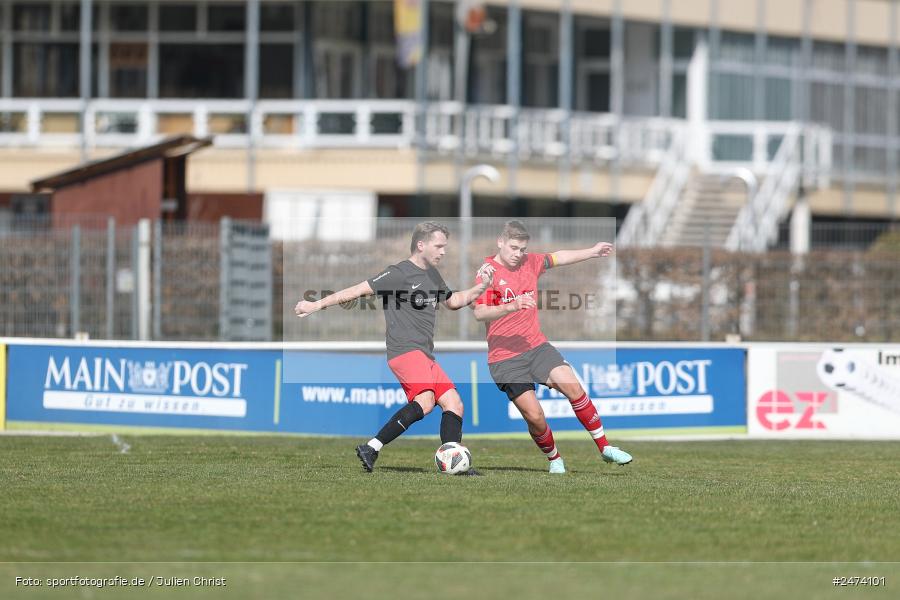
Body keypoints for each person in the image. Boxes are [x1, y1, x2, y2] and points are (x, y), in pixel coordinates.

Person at [295, 221, 494, 473]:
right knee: (425, 401)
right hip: (405, 351)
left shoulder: (432, 274)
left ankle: (454, 462)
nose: (443, 251)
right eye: (439, 246)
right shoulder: (399, 272)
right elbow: (356, 291)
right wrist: (315, 305)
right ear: (421, 245)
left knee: (454, 403)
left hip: (424, 354)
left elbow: (453, 301)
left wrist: (482, 286)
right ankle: (372, 447)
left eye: (445, 246)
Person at [472, 220, 632, 474]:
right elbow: (480, 313)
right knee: (535, 416)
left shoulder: (530, 262)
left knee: (574, 388)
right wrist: (511, 306)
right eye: (513, 248)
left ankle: (605, 447)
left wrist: (591, 251)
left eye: (522, 249)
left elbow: (559, 257)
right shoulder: (487, 273)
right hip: (505, 359)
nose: (518, 254)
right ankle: (554, 459)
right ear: (500, 242)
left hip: (536, 347)